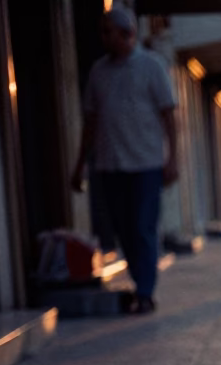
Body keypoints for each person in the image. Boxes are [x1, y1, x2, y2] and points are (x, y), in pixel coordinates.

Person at [70, 7, 177, 314]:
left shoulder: (152, 66)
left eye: (108, 32)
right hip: (109, 165)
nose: (104, 38)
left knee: (144, 227)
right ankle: (139, 283)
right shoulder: (98, 73)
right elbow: (89, 122)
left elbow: (169, 116)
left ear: (127, 33)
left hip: (146, 164)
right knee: (124, 229)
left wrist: (172, 159)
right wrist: (80, 164)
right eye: (102, 31)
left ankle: (145, 291)